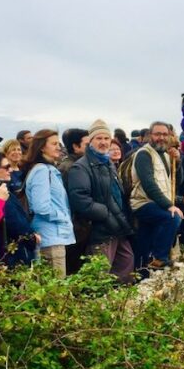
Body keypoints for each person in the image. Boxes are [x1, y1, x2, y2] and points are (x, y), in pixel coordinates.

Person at [68, 120, 135, 284]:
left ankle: (120, 307)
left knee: (126, 266)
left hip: (118, 227)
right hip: (99, 231)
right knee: (99, 277)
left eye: (106, 138)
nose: (104, 142)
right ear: (90, 141)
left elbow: (117, 195)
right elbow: (81, 201)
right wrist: (107, 215)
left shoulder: (108, 164)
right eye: (99, 138)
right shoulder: (81, 167)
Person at [131, 121, 184, 270]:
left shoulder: (166, 155)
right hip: (143, 203)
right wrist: (169, 206)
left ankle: (143, 269)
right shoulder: (144, 154)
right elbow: (149, 185)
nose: (161, 137)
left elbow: (176, 182)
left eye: (164, 134)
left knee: (145, 240)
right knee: (172, 217)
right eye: (157, 134)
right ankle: (159, 258)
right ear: (150, 135)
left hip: (157, 204)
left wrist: (178, 162)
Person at [22, 129, 76, 278]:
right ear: (41, 147)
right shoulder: (42, 171)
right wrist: (63, 216)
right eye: (53, 144)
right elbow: (41, 207)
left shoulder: (49, 170)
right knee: (56, 289)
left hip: (53, 235)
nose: (58, 147)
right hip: (50, 237)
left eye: (58, 143)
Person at [0, 152, 39, 268]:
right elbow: (15, 223)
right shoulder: (0, 193)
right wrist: (31, 238)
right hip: (12, 254)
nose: (10, 170)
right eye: (6, 167)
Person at [57, 127, 90, 274]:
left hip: (80, 226)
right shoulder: (70, 168)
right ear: (76, 147)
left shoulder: (80, 164)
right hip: (76, 227)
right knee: (74, 266)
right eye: (87, 144)